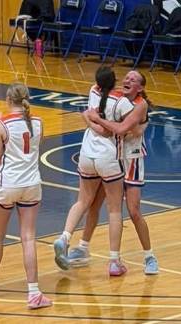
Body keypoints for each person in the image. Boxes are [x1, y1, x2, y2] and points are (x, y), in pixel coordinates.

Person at [0, 82, 52, 310]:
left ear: (8, 99)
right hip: (32, 184)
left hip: (8, 185)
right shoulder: (39, 122)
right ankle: (34, 292)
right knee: (28, 238)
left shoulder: (2, 123)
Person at [52, 66, 129, 276]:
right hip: (109, 157)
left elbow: (94, 123)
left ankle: (65, 238)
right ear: (115, 82)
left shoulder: (92, 91)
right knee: (114, 209)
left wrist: (88, 119)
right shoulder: (121, 102)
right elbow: (115, 129)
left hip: (87, 154)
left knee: (84, 201)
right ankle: (114, 261)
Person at [78, 70, 158, 275]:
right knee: (94, 204)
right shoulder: (117, 98)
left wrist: (95, 118)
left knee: (133, 211)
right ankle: (82, 248)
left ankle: (149, 256)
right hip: (113, 158)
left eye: (133, 79)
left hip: (131, 160)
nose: (127, 79)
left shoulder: (141, 105)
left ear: (140, 87)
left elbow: (124, 130)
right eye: (127, 77)